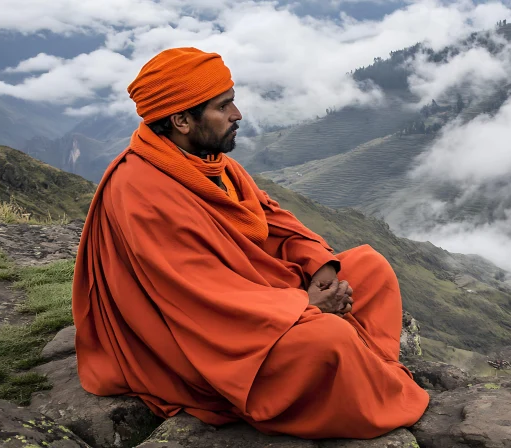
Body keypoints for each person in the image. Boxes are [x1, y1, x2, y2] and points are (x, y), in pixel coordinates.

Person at [72, 47, 430, 439]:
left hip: (255, 300)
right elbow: (196, 295)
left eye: (233, 102)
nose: (237, 115)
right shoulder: (140, 190)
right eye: (223, 107)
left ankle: (369, 372)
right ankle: (363, 386)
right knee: (329, 337)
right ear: (181, 120)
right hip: (197, 336)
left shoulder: (209, 162)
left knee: (370, 267)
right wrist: (305, 307)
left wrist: (319, 267)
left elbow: (271, 222)